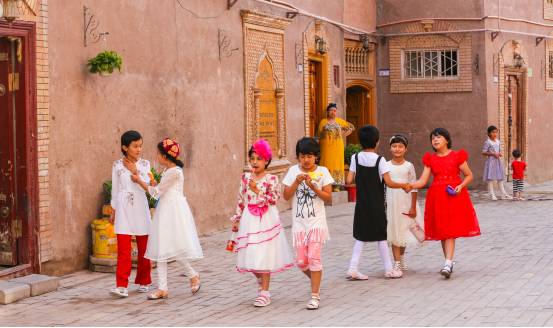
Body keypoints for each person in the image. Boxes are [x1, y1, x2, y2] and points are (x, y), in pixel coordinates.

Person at [129, 138, 203, 299]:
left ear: (165, 156)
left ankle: (192, 275)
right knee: (162, 247)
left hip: (172, 212)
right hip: (166, 210)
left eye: (158, 153)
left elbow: (156, 193)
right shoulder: (168, 171)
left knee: (172, 246)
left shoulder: (174, 172)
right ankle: (164, 287)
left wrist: (139, 181)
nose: (157, 156)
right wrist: (155, 182)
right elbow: (161, 188)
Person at [409, 128, 481, 279]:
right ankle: (448, 262)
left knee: (450, 231)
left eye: (438, 137)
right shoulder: (430, 159)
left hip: (454, 196)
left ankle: (448, 263)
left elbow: (469, 175)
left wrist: (461, 186)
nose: (435, 140)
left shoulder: (457, 156)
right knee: (443, 231)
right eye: (433, 138)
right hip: (436, 197)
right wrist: (410, 185)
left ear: (446, 140)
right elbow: (422, 180)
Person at [230, 139, 294, 307]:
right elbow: (240, 199)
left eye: (259, 158)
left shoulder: (271, 179)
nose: (255, 162)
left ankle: (265, 292)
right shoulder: (245, 178)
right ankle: (260, 281)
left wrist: (257, 189)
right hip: (249, 219)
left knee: (264, 255)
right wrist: (237, 219)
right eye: (252, 158)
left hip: (266, 219)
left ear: (266, 160)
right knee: (250, 256)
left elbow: (273, 199)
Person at [345, 126, 410, 281]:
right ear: (377, 142)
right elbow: (388, 182)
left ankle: (353, 268)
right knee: (381, 236)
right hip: (377, 205)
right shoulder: (380, 160)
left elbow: (348, 180)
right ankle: (388, 269)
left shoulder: (355, 158)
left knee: (360, 236)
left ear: (360, 142)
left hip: (361, 205)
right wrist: (402, 185)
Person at [283, 137, 334, 310]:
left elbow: (328, 197)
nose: (306, 160)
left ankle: (315, 296)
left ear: (316, 157)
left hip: (316, 223)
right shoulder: (292, 172)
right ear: (298, 157)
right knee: (301, 261)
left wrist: (314, 188)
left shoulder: (323, 172)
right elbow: (286, 196)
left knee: (314, 258)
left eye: (310, 156)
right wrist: (296, 182)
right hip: (299, 224)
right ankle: (316, 278)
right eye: (303, 156)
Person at [109, 130, 152, 298]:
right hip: (123, 208)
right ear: (125, 147)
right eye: (135, 146)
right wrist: (113, 209)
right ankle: (121, 285)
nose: (139, 149)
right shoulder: (117, 166)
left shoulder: (145, 164)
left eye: (140, 146)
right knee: (124, 249)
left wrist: (135, 170)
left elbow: (148, 185)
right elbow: (115, 189)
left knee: (144, 248)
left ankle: (144, 281)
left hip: (141, 207)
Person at [386, 135, 424, 277]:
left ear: (405, 149)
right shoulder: (386, 165)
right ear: (390, 148)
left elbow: (414, 187)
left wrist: (413, 206)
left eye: (400, 146)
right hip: (391, 202)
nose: (397, 149)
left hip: (406, 202)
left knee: (404, 231)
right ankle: (396, 262)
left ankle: (401, 257)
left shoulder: (409, 166)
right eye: (394, 146)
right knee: (394, 230)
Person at [317, 103, 355, 186]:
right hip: (326, 148)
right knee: (326, 162)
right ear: (327, 112)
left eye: (334, 111)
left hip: (338, 147)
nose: (333, 112)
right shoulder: (323, 122)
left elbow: (352, 127)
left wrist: (343, 135)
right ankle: (326, 183)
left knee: (337, 163)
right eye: (331, 110)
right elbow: (319, 135)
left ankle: (337, 185)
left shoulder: (339, 121)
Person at [482, 125, 511, 200]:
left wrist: (499, 153)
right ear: (489, 133)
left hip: (497, 161)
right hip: (491, 162)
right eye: (493, 132)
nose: (495, 134)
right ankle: (492, 194)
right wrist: (493, 154)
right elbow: (484, 152)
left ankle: (503, 193)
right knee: (490, 178)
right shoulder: (487, 142)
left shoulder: (498, 141)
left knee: (500, 177)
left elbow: (499, 150)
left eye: (496, 132)